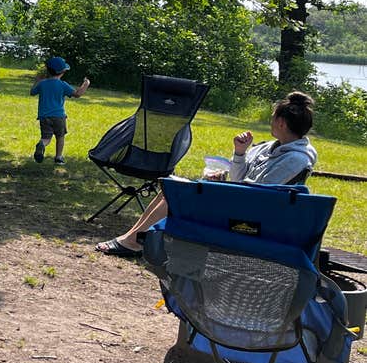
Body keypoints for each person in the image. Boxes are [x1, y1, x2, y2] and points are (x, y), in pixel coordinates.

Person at [95, 90, 318, 259]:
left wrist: (217, 187)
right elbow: (240, 180)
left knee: (178, 193)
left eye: (272, 118)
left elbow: (257, 193)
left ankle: (134, 241)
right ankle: (134, 238)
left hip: (250, 215)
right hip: (241, 200)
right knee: (169, 187)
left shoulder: (296, 159)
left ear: (280, 122)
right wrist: (240, 153)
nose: (270, 121)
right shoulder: (267, 147)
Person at [30, 56, 90, 164]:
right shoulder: (63, 85)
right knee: (60, 136)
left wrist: (37, 81)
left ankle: (42, 145)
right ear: (63, 71)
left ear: (48, 70)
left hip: (44, 116)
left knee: (46, 137)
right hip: (59, 116)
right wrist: (86, 84)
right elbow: (77, 94)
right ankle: (58, 157)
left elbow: (32, 92)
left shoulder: (42, 83)